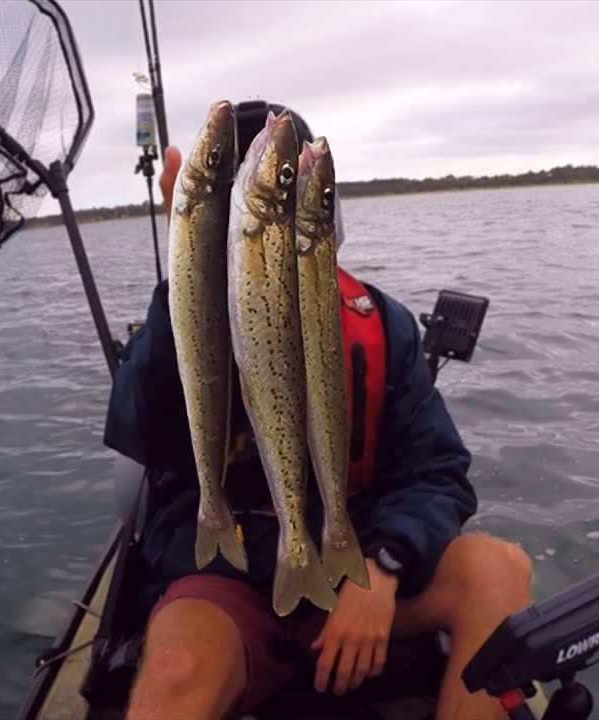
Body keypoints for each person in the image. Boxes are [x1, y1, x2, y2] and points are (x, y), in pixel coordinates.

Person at [102, 100, 533, 720]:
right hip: (231, 582)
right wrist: (188, 262)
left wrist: (384, 565)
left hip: (352, 565)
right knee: (174, 674)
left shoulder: (379, 325)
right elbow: (138, 429)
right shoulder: (185, 325)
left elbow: (437, 472)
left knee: (499, 571)